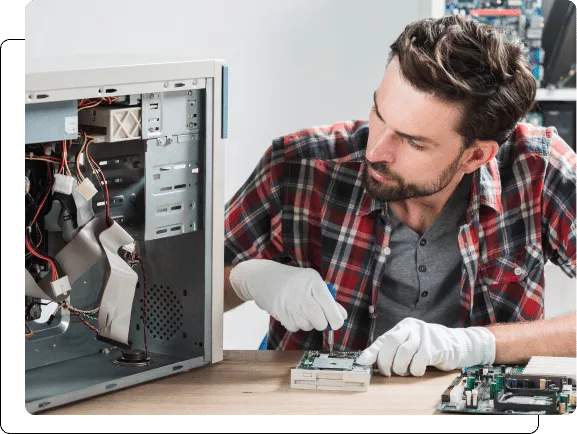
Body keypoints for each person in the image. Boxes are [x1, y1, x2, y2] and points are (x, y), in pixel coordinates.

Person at [223, 15, 577, 377]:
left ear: (475, 156)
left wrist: (479, 344)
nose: (375, 151)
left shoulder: (539, 168)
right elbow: (174, 296)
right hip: (318, 409)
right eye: (379, 113)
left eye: (413, 142)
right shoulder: (298, 167)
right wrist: (247, 279)